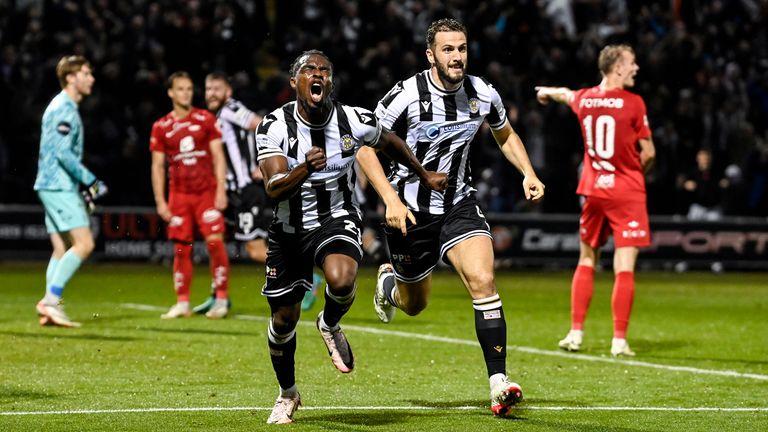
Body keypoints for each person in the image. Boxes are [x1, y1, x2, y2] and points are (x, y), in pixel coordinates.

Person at [356, 18, 545, 417]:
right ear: (431, 55)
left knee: (483, 279)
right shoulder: (406, 95)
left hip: (459, 204)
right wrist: (390, 198)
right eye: (447, 49)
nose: (456, 56)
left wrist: (528, 172)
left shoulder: (482, 92)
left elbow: (505, 133)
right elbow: (364, 146)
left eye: (461, 48)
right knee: (414, 304)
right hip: (409, 212)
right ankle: (390, 285)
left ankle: (498, 382)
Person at [256, 49, 446, 425]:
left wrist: (424, 175)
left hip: (336, 217)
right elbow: (274, 188)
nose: (318, 75)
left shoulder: (353, 120)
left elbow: (389, 141)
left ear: (330, 82)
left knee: (342, 280)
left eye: (324, 70)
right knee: (283, 321)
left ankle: (329, 322)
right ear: (294, 82)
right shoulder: (273, 125)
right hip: (289, 231)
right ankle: (288, 393)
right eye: (309, 70)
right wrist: (305, 170)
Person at [535, 44, 656, 357]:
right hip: (625, 192)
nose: (636, 68)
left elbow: (566, 94)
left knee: (587, 259)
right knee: (624, 267)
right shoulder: (634, 103)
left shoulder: (585, 99)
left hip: (593, 190)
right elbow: (650, 152)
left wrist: (547, 91)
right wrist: (633, 174)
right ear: (617, 67)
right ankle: (619, 340)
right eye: (632, 63)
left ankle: (575, 333)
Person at [196, 72, 323, 315]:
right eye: (208, 88)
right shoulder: (218, 117)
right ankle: (218, 294)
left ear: (228, 92)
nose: (210, 93)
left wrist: (263, 162)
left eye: (216, 88)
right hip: (231, 192)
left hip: (246, 191)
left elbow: (262, 124)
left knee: (254, 249)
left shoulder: (231, 109)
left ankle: (307, 277)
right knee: (215, 241)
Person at [150, 71, 231, 320]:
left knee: (215, 243)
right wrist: (161, 201)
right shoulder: (161, 126)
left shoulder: (206, 119)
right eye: (181, 89)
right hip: (179, 196)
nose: (186, 93)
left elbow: (218, 157)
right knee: (181, 250)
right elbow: (157, 166)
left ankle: (221, 298)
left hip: (206, 193)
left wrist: (221, 190)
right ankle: (182, 302)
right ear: (171, 93)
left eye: (189, 88)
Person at [33, 55, 107, 328]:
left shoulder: (62, 106)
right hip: (58, 185)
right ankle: (51, 301)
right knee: (85, 243)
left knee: (61, 248)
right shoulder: (64, 108)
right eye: (86, 73)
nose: (91, 78)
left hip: (49, 184)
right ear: (71, 77)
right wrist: (92, 182)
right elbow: (63, 154)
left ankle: (50, 307)